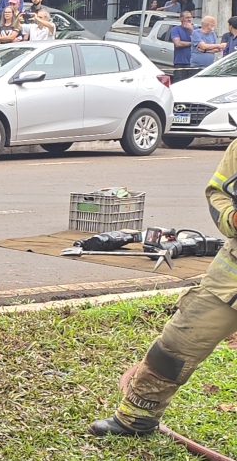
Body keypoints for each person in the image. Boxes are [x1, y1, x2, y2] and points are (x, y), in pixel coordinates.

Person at [91, 142, 237, 436]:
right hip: (230, 277)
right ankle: (135, 418)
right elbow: (218, 192)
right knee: (177, 343)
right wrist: (232, 218)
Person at [171, 10, 197, 82]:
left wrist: (191, 30)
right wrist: (192, 43)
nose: (189, 19)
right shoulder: (175, 30)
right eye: (187, 17)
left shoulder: (196, 30)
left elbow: (199, 43)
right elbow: (178, 44)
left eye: (190, 17)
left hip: (194, 64)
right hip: (180, 63)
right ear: (181, 19)